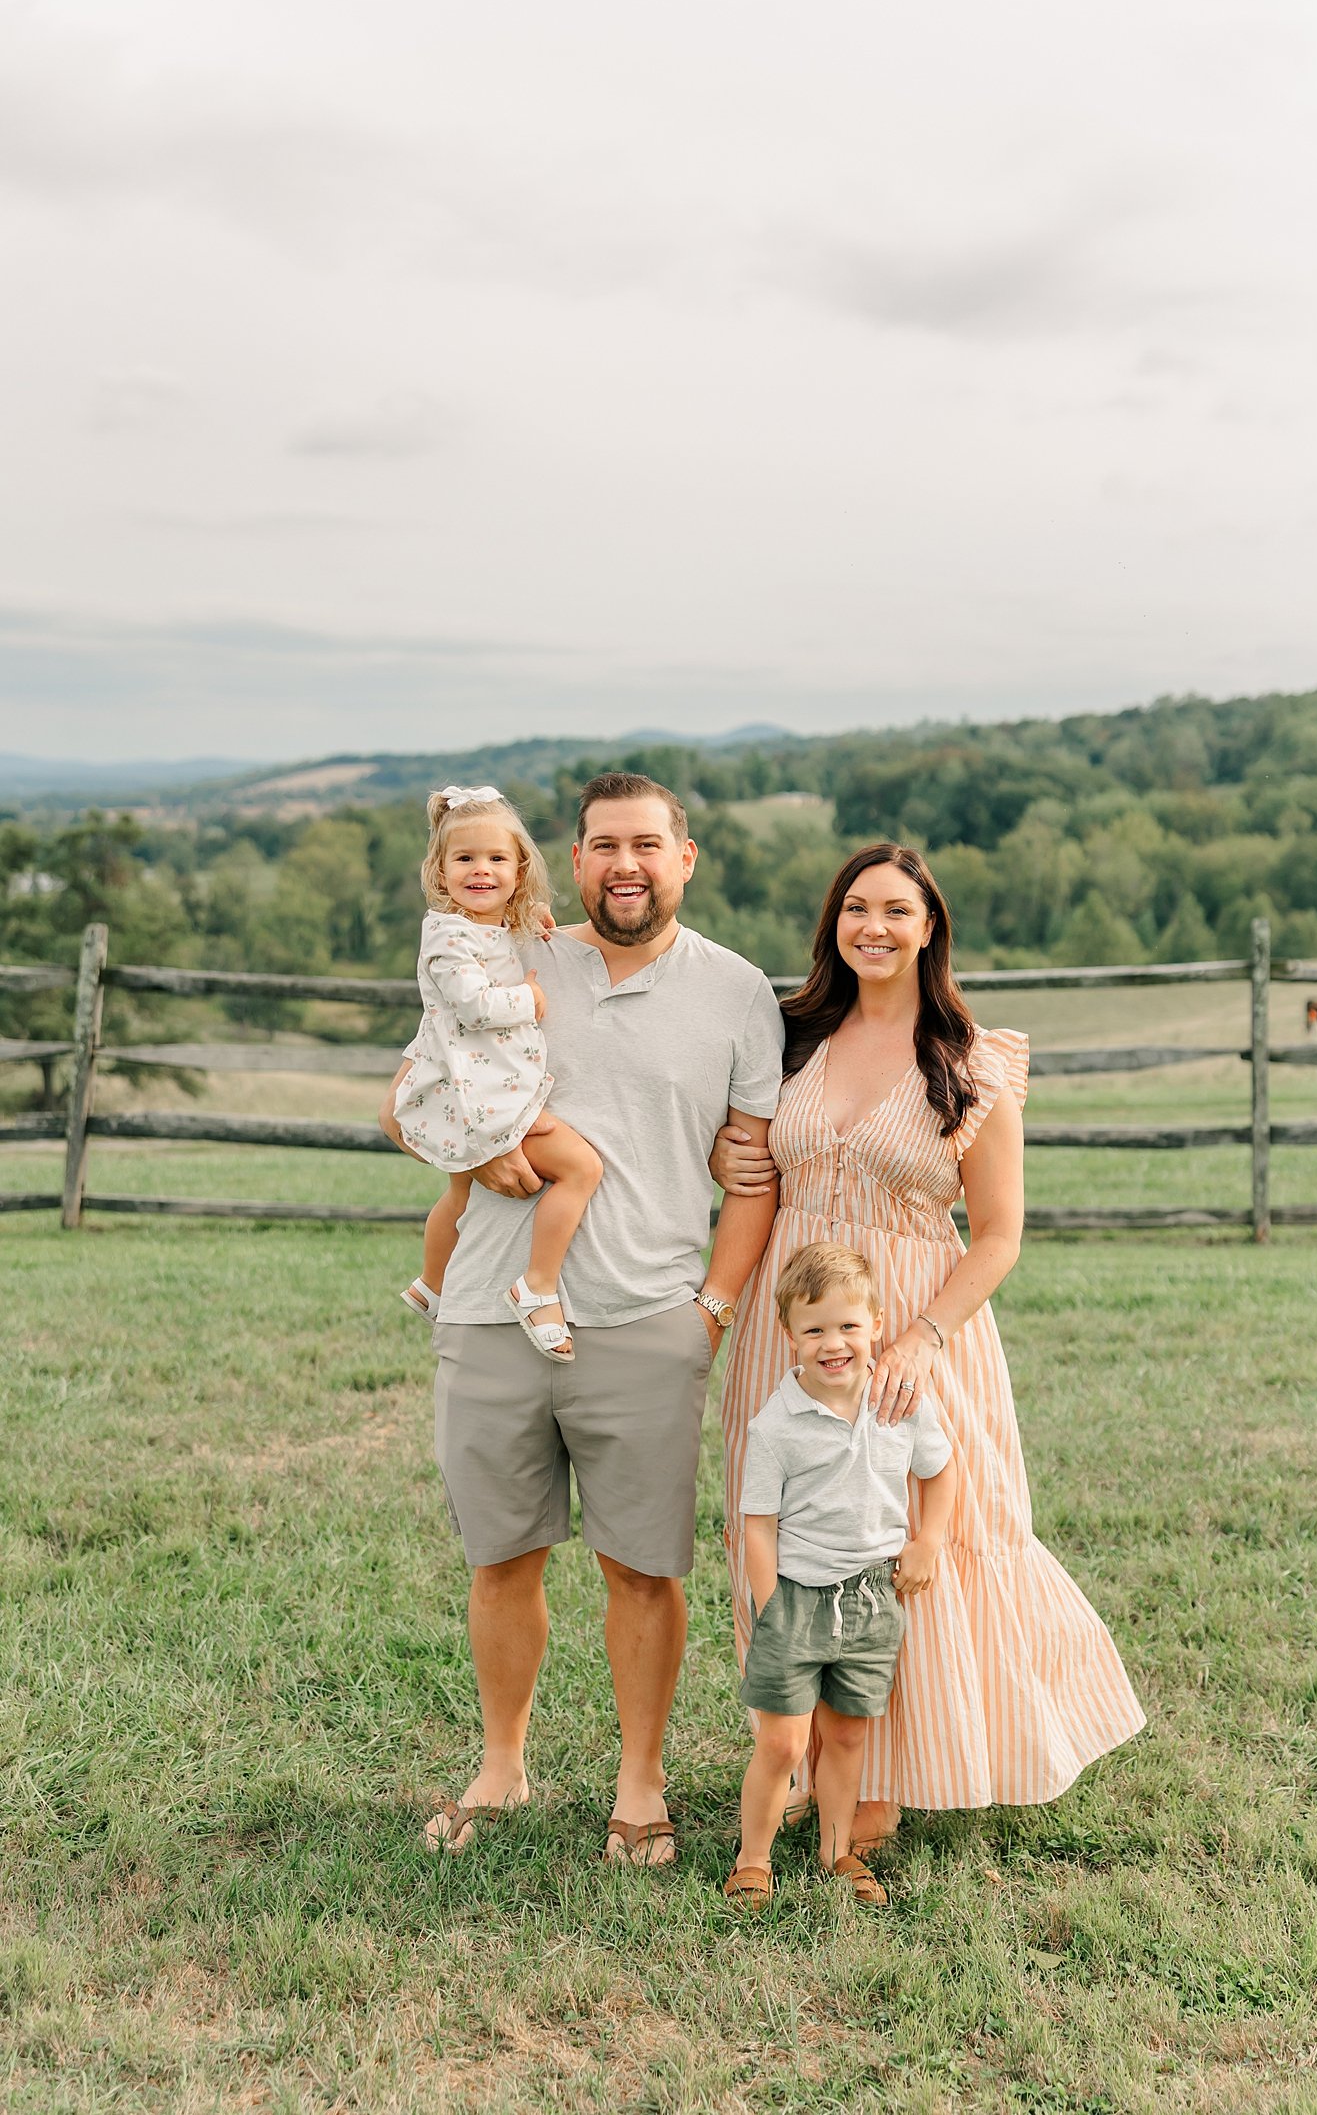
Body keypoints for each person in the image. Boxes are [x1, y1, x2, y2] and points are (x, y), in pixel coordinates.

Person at [380, 772, 784, 1860]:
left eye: (647, 844)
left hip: (649, 1319)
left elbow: (752, 1175)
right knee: (500, 1558)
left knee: (642, 1568)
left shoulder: (741, 994)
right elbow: (402, 1102)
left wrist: (713, 1309)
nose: (626, 865)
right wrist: (480, 1146)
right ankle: (501, 1769)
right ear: (574, 855)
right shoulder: (512, 951)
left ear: (684, 857)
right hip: (486, 1311)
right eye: (604, 844)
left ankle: (641, 1783)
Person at [715, 842, 1145, 1854]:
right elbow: (749, 1160)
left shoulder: (970, 1063)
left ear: (930, 927)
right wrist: (718, 1152)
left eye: (896, 911)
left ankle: (890, 1774)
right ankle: (805, 1750)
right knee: (789, 1529)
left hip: (917, 1323)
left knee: (915, 1539)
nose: (873, 927)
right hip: (796, 1324)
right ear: (834, 925)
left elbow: (997, 1234)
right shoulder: (788, 1039)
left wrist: (923, 1334)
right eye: (855, 909)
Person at [725, 1241, 957, 1912]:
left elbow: (941, 1473)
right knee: (784, 1739)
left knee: (849, 1731)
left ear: (877, 1326)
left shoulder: (902, 1403)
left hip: (869, 1597)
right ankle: (753, 1859)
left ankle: (836, 1851)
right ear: (788, 1336)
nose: (835, 1344)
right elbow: (758, 1527)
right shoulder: (778, 1425)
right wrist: (772, 1613)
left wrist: (929, 1540)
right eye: (815, 1328)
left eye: (849, 1326)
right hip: (796, 1599)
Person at [392, 785, 601, 1357]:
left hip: (481, 1082)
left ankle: (432, 1284)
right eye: (464, 859)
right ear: (439, 871)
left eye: (496, 859)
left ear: (520, 867)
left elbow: (501, 938)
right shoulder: (446, 934)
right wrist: (529, 1001)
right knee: (581, 1169)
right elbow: (475, 1004)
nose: (480, 870)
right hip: (484, 1091)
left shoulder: (485, 925)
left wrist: (525, 916)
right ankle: (537, 1286)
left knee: (460, 1192)